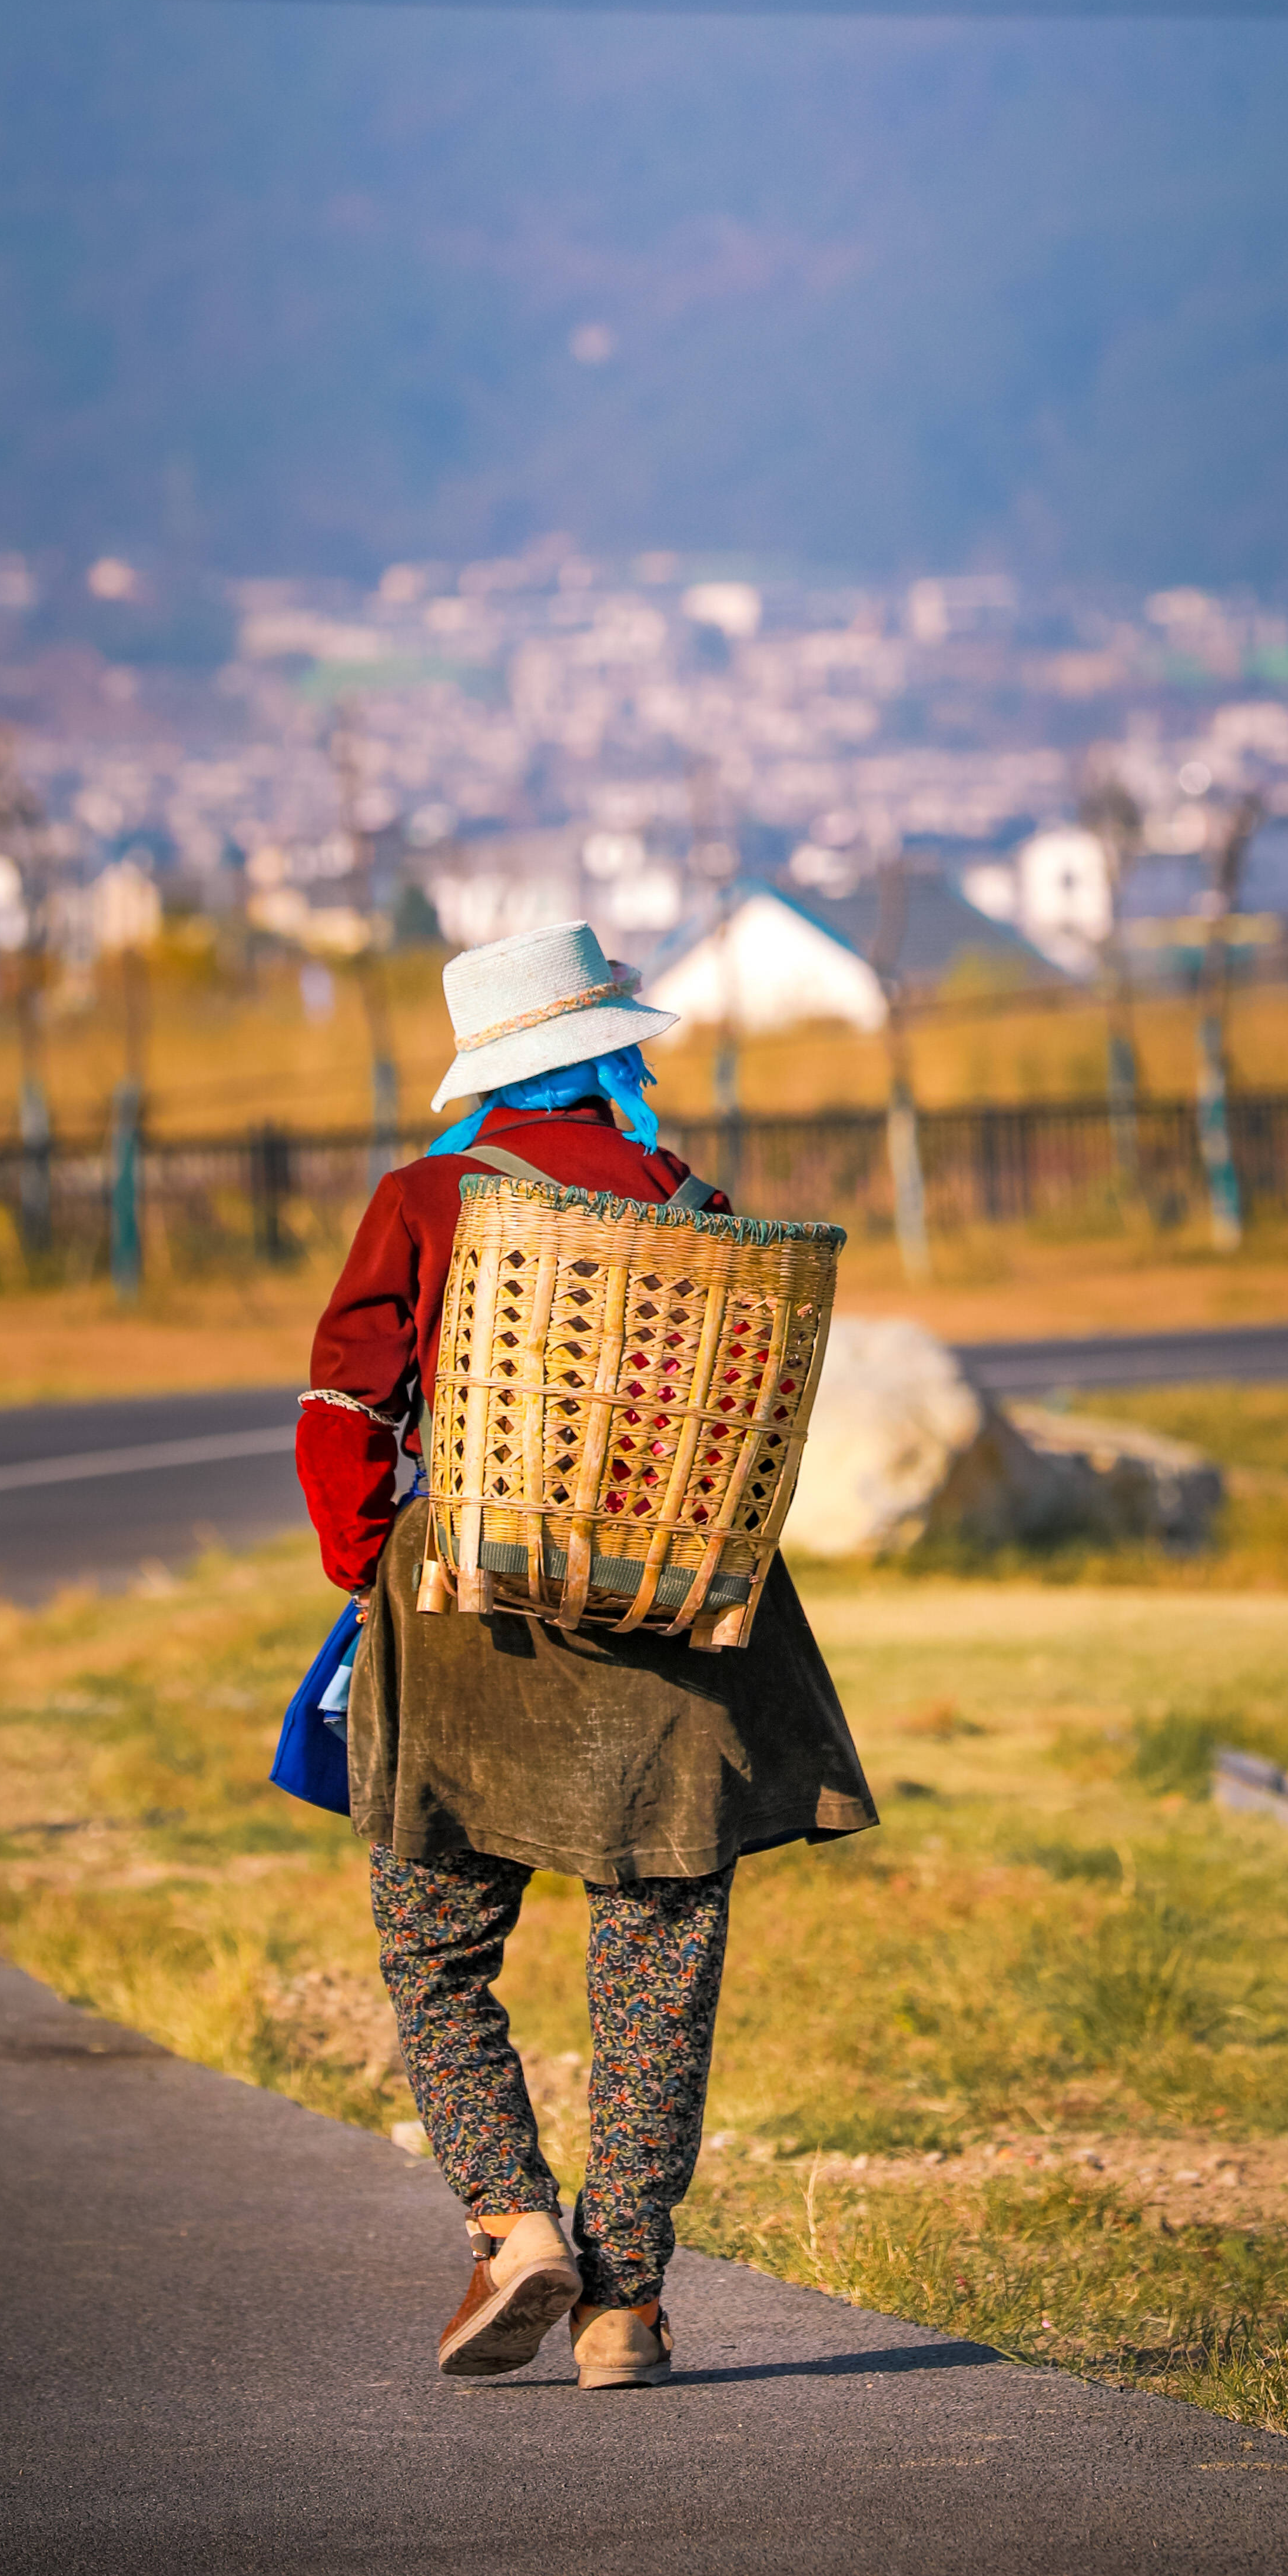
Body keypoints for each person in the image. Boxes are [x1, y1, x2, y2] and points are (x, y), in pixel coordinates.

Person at [297, 921, 875, 2393]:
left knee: (433, 1946)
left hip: (473, 1614)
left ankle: (510, 2222)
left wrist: (369, 1556)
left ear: (492, 1071)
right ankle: (624, 2302)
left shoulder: (429, 1199)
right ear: (608, 1054)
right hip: (676, 1625)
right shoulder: (692, 1203)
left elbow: (348, 1408)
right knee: (655, 1970)